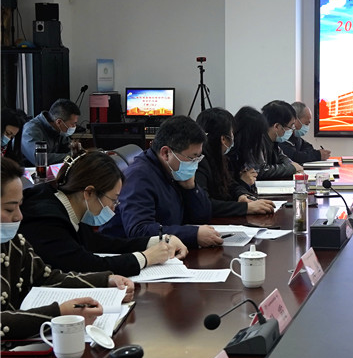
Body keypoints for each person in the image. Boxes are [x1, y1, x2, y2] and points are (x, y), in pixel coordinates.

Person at [1, 157, 134, 341]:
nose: (19, 216)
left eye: (19, 206)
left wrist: (105, 280)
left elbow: (46, 277)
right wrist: (58, 313)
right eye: (9, 209)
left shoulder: (13, 241)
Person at [19, 151, 187, 277]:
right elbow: (83, 265)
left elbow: (99, 243)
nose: (114, 207)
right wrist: (145, 258)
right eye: (113, 200)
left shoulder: (72, 206)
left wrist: (158, 240)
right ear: (89, 193)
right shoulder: (46, 220)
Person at [100, 115, 222, 249]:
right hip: (123, 253)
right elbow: (139, 230)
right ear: (166, 153)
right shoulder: (139, 177)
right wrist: (193, 234)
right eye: (192, 158)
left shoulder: (173, 171)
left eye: (198, 157)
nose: (195, 163)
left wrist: (190, 188)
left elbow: (202, 217)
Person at [195, 108, 275, 216]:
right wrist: (246, 208)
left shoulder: (218, 156)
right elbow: (205, 204)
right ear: (223, 139)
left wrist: (241, 195)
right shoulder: (199, 162)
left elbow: (230, 183)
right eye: (232, 133)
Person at [20, 98, 83, 166]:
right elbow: (40, 159)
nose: (74, 126)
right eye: (73, 123)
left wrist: (79, 152)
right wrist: (73, 156)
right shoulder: (31, 130)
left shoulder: (59, 130)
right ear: (59, 122)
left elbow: (69, 148)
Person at [228, 106, 270, 199]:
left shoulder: (247, 150)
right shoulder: (229, 155)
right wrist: (243, 183)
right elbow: (226, 192)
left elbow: (260, 167)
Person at [257, 100, 303, 180]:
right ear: (277, 126)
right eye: (290, 126)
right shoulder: (257, 141)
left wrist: (293, 165)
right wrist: (292, 168)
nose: (292, 130)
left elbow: (282, 158)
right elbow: (262, 171)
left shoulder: (273, 141)